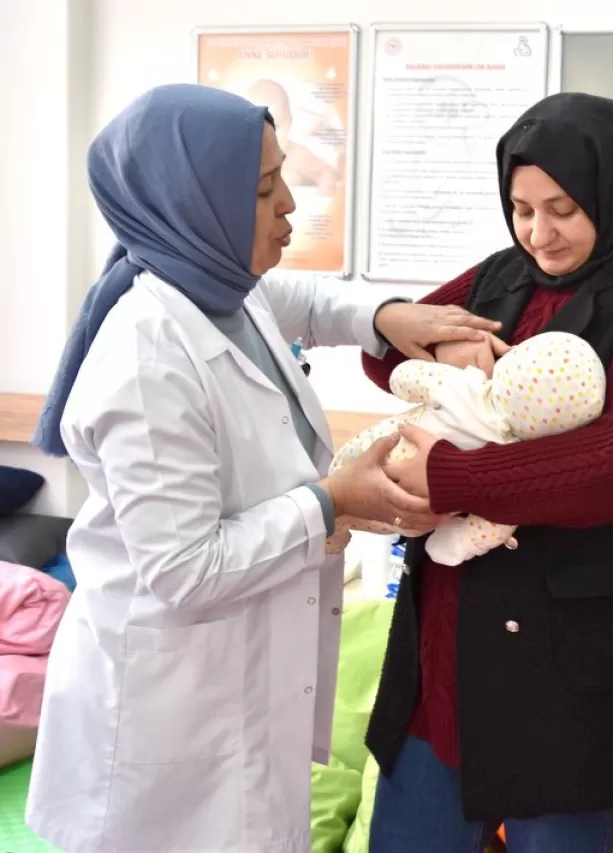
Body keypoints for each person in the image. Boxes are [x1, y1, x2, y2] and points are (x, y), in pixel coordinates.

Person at [25, 84, 498, 852]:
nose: (289, 206)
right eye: (262, 188)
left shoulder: (217, 290)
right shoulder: (146, 361)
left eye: (285, 179)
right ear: (193, 203)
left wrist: (383, 319)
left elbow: (297, 299)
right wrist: (330, 502)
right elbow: (184, 569)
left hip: (234, 699)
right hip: (163, 722)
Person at [361, 92, 613, 852]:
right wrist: (440, 349)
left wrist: (453, 480)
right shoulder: (505, 274)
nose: (539, 232)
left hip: (574, 663)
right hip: (452, 644)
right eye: (521, 208)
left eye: (561, 208)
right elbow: (382, 349)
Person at [326, 330, 607, 563]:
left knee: (336, 498)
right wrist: (457, 544)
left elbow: (402, 376)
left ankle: (333, 525)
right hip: (410, 513)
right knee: (360, 515)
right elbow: (496, 523)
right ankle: (337, 525)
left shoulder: (463, 385)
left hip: (363, 455)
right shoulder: (513, 460)